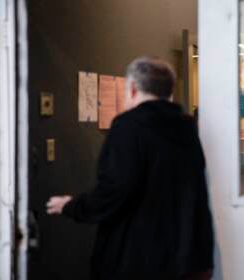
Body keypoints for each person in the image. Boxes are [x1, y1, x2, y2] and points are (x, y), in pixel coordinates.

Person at [46, 57, 214, 280]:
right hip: (188, 258)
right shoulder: (186, 128)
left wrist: (71, 206)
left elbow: (115, 190)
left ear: (133, 89)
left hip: (139, 260)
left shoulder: (128, 126)